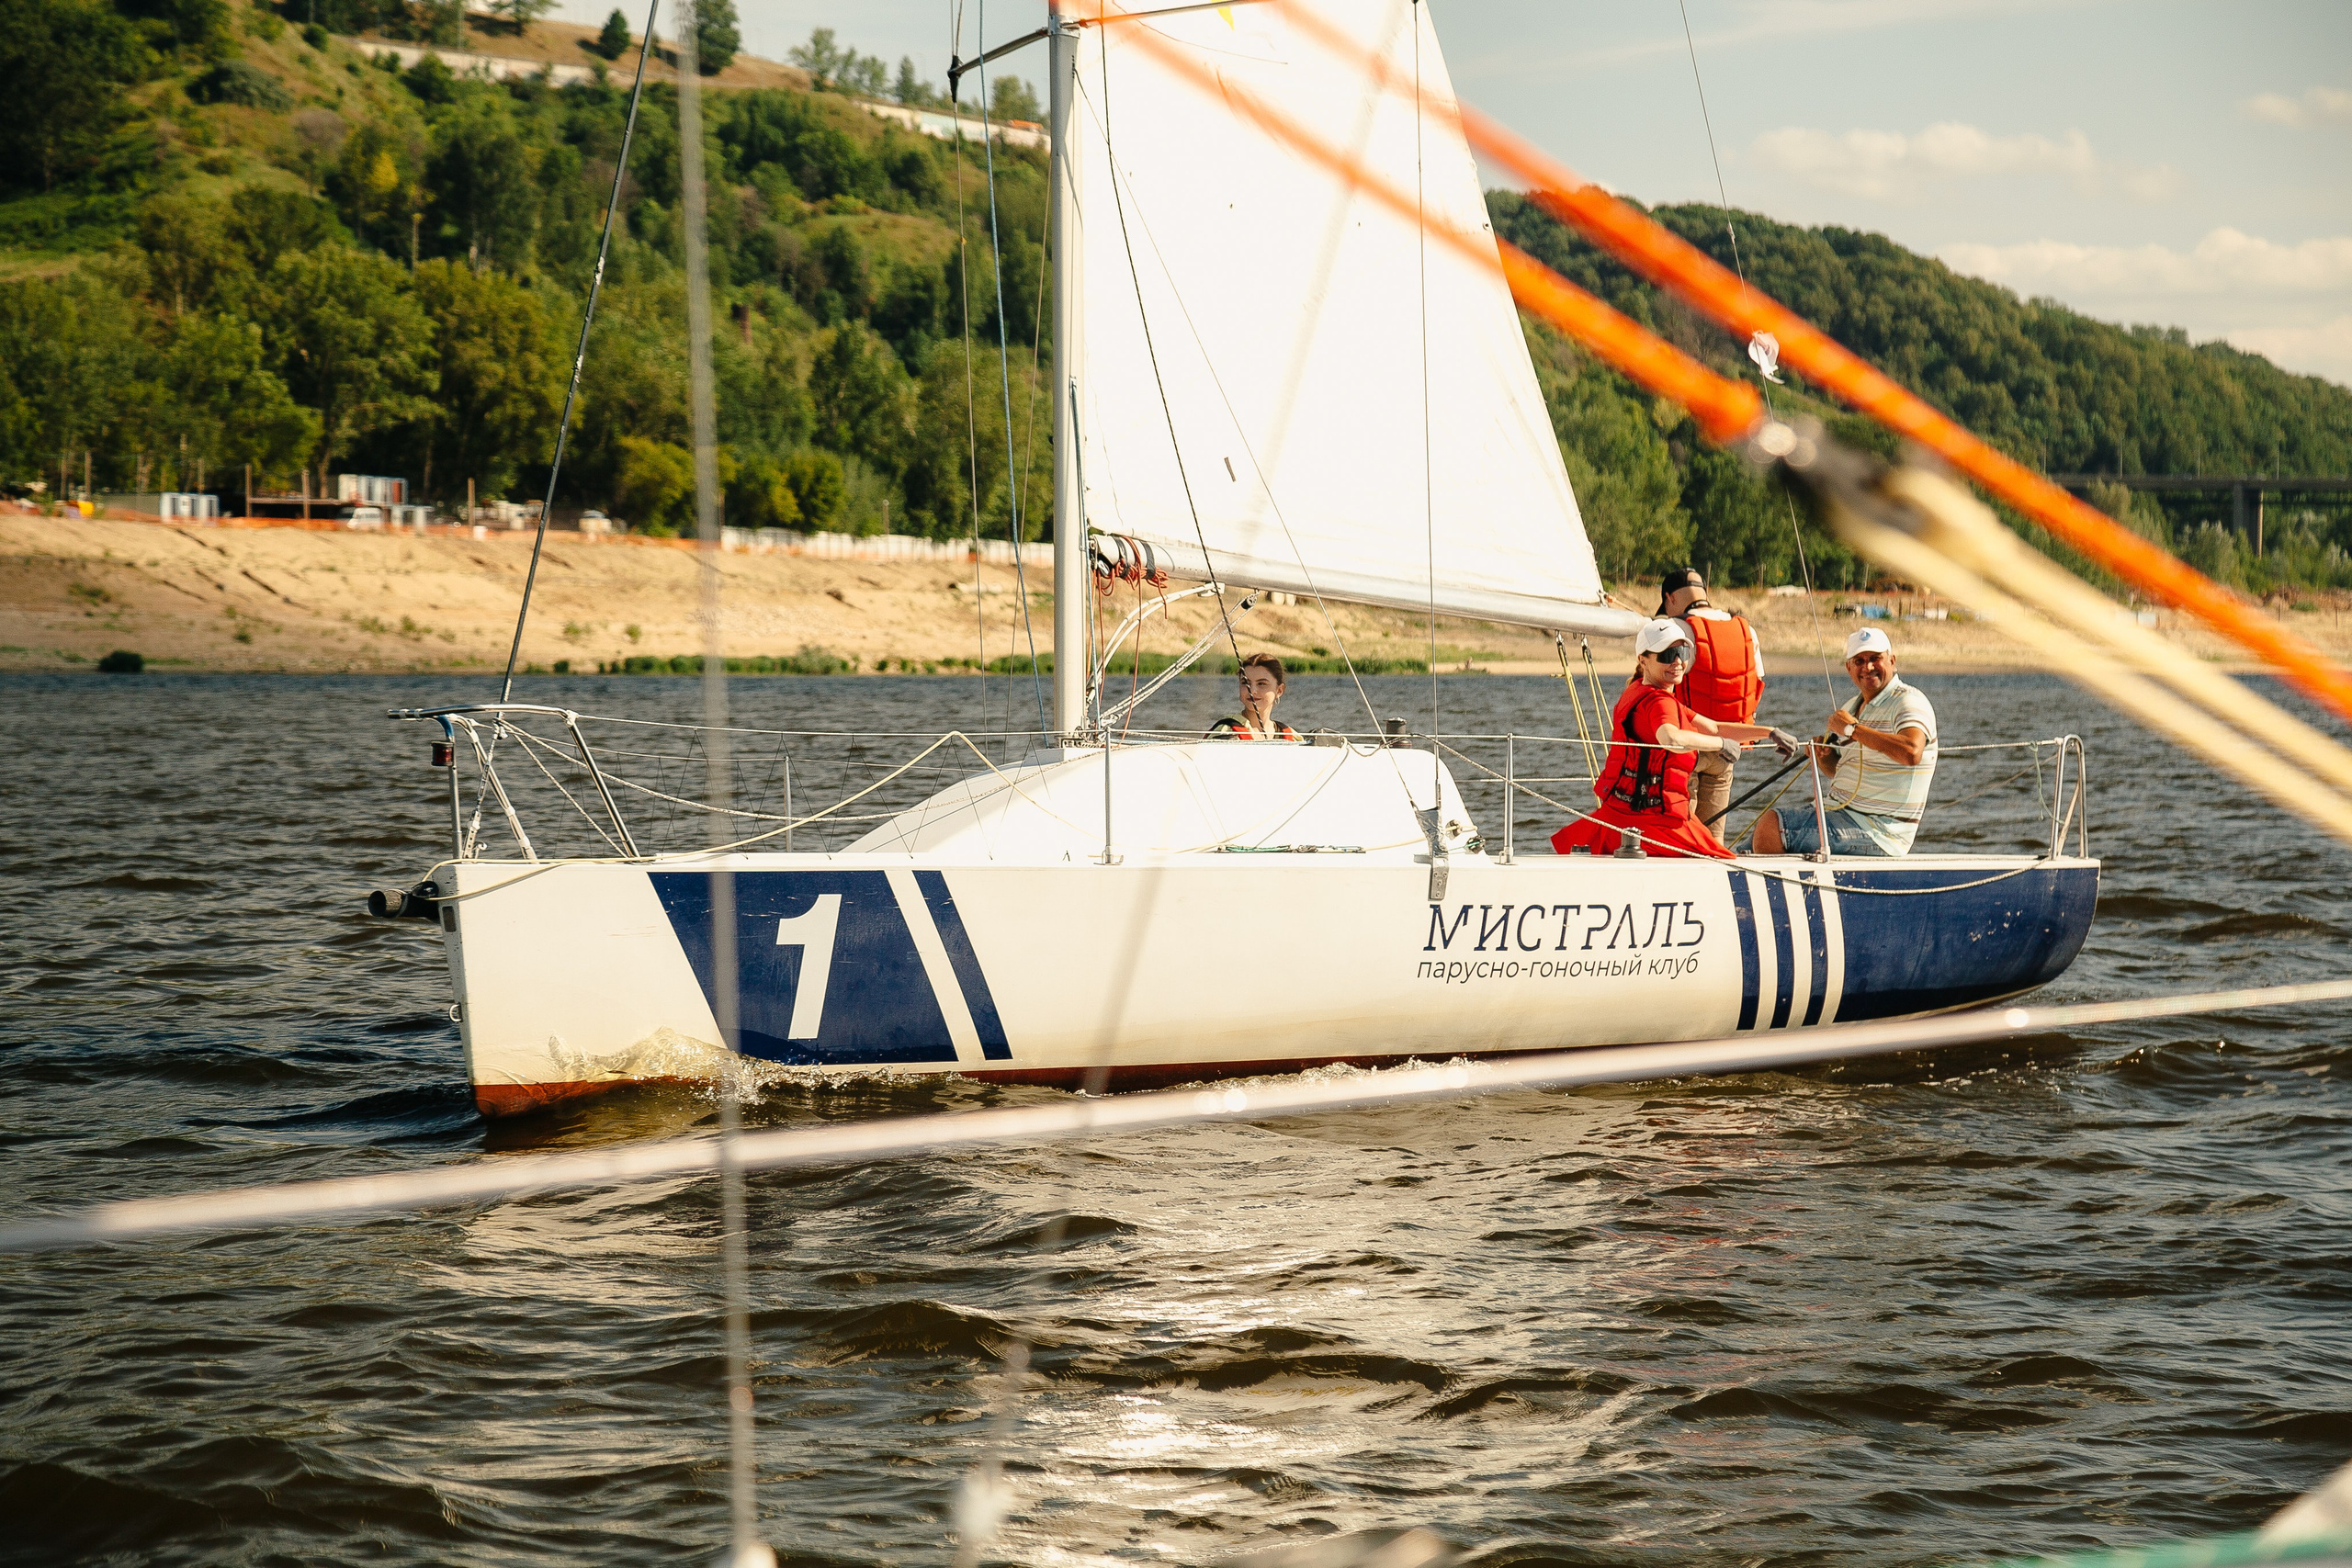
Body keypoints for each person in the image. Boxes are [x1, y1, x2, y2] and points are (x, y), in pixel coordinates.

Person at [1552, 620, 1773, 859]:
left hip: (1621, 815)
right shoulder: (1659, 702)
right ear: (1643, 660)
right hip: (1655, 822)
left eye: (1682, 652)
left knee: (1713, 847)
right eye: (1667, 654)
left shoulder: (1641, 691)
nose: (1677, 661)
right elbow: (1671, 738)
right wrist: (1721, 745)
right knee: (1721, 858)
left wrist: (1770, 733)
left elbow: (1714, 726)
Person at [1752, 626, 1937, 856]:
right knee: (1746, 846)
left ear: (1892, 661)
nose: (1867, 667)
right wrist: (1825, 756)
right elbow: (1835, 771)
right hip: (1838, 813)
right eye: (1859, 661)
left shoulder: (1908, 701)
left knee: (1773, 826)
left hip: (1879, 832)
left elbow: (1911, 752)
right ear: (1849, 668)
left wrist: (1852, 729)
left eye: (1875, 659)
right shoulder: (1850, 707)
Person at [1657, 567, 1764, 832]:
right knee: (1712, 840)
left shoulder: (1676, 628)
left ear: (1670, 598)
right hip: (1727, 749)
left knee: (1682, 836)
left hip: (1687, 749)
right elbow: (1757, 681)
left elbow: (1658, 686)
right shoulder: (1746, 629)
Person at [1206, 652, 1302, 739]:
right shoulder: (1225, 732)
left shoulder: (1292, 737)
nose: (1252, 690)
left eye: (1261, 684)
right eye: (1245, 683)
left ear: (1279, 690)